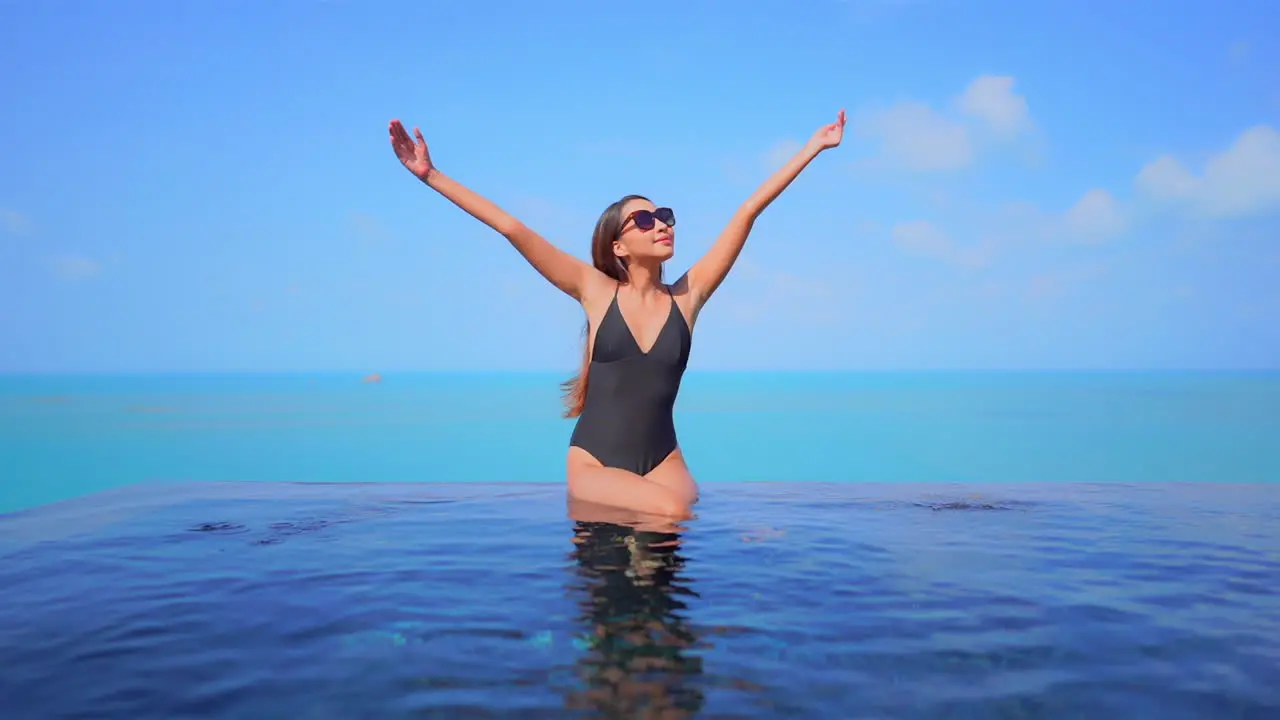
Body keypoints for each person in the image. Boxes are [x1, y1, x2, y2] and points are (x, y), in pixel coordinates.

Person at [388, 110, 846, 520]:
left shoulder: (687, 297)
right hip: (595, 462)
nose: (661, 224)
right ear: (618, 246)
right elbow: (513, 228)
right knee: (667, 514)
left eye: (664, 215)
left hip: (667, 460)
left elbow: (747, 212)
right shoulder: (595, 291)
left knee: (681, 527)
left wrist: (811, 149)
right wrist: (431, 175)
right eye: (644, 220)